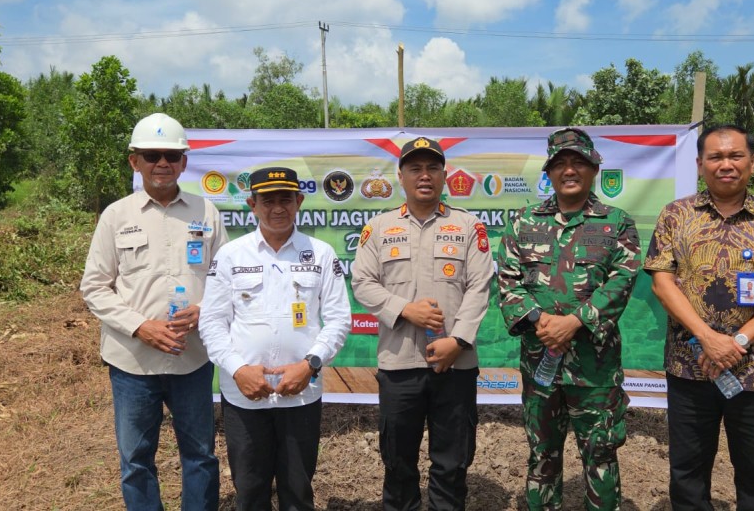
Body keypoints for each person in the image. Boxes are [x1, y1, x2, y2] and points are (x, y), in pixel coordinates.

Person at [643, 124, 754, 511]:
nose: (726, 165)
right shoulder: (675, 216)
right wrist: (707, 337)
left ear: (752, 162)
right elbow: (661, 282)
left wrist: (737, 342)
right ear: (700, 164)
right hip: (690, 368)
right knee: (687, 472)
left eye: (735, 156)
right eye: (715, 157)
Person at [80, 112, 227, 511]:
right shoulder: (116, 216)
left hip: (191, 359)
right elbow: (94, 287)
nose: (161, 163)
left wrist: (204, 309)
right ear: (135, 162)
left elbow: (225, 279)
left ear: (184, 162)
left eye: (171, 155)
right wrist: (140, 326)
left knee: (200, 456)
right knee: (136, 461)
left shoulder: (206, 212)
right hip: (132, 363)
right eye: (151, 155)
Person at [497, 127, 642, 511]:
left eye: (578, 161)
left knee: (600, 457)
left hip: (594, 371)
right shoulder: (523, 222)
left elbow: (622, 280)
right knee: (541, 457)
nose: (569, 170)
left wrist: (574, 322)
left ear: (595, 168)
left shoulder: (617, 223)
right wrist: (541, 321)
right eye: (560, 163)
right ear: (549, 172)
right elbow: (508, 281)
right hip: (539, 364)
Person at [351, 136, 494, 511]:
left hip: (455, 365)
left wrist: (458, 341)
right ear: (401, 176)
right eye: (415, 168)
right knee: (398, 463)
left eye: (432, 168)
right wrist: (404, 310)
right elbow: (362, 283)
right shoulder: (379, 227)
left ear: (445, 176)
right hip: (399, 365)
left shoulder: (468, 226)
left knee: (451, 463)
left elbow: (480, 288)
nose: (424, 175)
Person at [199, 166, 351, 511]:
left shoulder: (321, 254)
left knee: (298, 491)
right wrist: (238, 370)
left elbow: (340, 319)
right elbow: (211, 323)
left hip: (301, 394)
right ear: (253, 204)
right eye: (268, 200)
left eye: (286, 199)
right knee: (250, 492)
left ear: (299, 201)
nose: (278, 208)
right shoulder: (231, 256)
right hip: (244, 396)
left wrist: (309, 366)